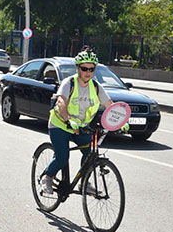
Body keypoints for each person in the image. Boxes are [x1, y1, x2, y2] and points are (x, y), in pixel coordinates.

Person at [38, 51, 126, 195]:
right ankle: (47, 178)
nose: (88, 72)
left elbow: (110, 104)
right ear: (78, 68)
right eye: (84, 69)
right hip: (60, 125)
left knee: (90, 154)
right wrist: (68, 119)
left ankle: (84, 182)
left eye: (91, 69)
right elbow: (61, 102)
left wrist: (121, 121)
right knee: (62, 157)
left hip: (81, 127)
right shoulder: (69, 83)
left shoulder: (96, 86)